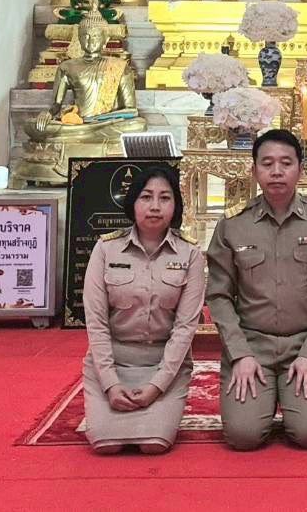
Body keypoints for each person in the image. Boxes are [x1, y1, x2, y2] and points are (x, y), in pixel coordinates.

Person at [205, 129, 307, 451]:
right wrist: (240, 353)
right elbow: (218, 295)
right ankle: (259, 399)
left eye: (286, 163)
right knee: (243, 437)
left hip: (304, 344)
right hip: (251, 344)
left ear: (301, 168)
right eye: (267, 163)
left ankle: (294, 396)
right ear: (253, 169)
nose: (276, 171)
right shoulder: (232, 224)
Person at [81, 163, 203, 454]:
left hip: (164, 367)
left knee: (154, 444)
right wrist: (110, 383)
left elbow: (185, 328)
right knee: (104, 445)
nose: (155, 206)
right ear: (132, 202)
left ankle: (163, 402)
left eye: (165, 198)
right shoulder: (106, 249)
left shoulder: (191, 254)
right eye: (146, 197)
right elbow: (96, 323)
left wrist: (157, 386)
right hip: (114, 362)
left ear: (176, 205)